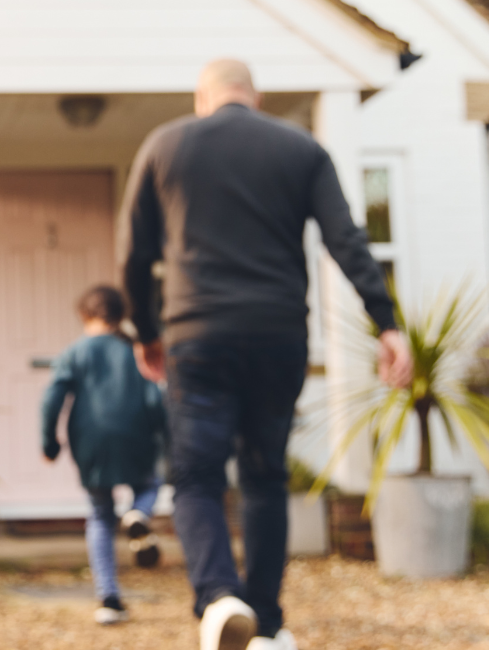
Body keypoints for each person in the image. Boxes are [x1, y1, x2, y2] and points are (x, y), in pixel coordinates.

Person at [120, 60, 412, 650]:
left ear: (203, 98)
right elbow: (345, 239)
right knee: (264, 477)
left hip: (196, 335)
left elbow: (133, 252)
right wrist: (387, 323)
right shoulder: (300, 148)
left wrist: (146, 331)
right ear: (253, 96)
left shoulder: (166, 145)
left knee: (198, 476)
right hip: (278, 336)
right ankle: (267, 622)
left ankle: (219, 598)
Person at [41, 285, 168, 627]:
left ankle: (109, 599)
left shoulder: (74, 353)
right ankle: (138, 513)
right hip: (136, 436)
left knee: (99, 514)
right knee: (150, 483)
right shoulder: (135, 350)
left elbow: (52, 398)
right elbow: (156, 398)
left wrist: (49, 442)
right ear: (121, 315)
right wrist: (166, 437)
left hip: (90, 441)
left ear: (85, 316)